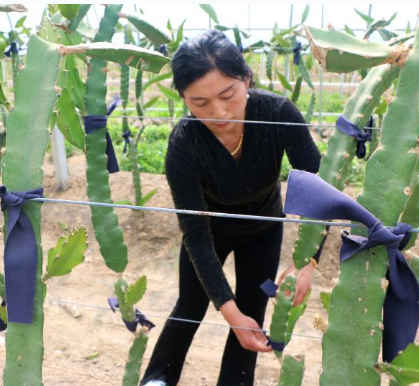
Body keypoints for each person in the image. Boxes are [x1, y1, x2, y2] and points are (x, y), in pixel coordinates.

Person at [140, 30, 322, 386]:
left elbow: (319, 189)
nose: (219, 112)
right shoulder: (183, 144)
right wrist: (227, 308)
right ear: (183, 98)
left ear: (246, 80)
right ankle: (156, 380)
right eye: (200, 102)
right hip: (210, 231)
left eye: (228, 95)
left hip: (263, 226)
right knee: (191, 308)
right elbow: (194, 232)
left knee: (251, 311)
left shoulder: (278, 113)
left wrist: (308, 260)